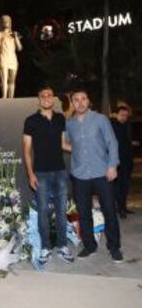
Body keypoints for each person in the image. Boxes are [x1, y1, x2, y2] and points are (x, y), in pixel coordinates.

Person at [65, 88, 123, 262]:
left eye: (84, 98)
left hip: (101, 173)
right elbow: (66, 143)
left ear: (88, 101)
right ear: (72, 103)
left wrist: (112, 165)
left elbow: (112, 142)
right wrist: (76, 151)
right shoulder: (69, 124)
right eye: (76, 99)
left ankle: (114, 247)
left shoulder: (100, 119)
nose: (80, 102)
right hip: (79, 174)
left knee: (109, 212)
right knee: (83, 213)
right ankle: (90, 246)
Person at [23, 85, 74, 265]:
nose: (46, 98)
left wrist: (82, 150)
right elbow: (27, 150)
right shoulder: (31, 120)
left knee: (61, 211)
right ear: (39, 99)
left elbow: (63, 144)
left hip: (60, 171)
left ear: (53, 99)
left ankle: (62, 246)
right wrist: (30, 174)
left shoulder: (60, 118)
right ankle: (45, 247)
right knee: (43, 212)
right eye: (43, 95)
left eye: (49, 95)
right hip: (41, 173)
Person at [111, 106, 134, 218]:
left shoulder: (126, 126)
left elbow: (127, 144)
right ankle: (120, 209)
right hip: (118, 162)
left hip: (127, 162)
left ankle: (123, 207)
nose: (124, 117)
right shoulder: (113, 126)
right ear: (116, 115)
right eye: (122, 115)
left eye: (126, 115)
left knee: (125, 186)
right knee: (118, 187)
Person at [0, 15, 22, 99]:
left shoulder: (13, 34)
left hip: (13, 59)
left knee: (12, 81)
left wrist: (16, 38)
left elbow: (19, 48)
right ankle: (4, 97)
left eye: (7, 20)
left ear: (10, 22)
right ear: (1, 22)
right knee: (4, 79)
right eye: (4, 20)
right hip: (3, 57)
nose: (6, 21)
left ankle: (11, 98)